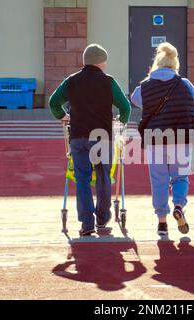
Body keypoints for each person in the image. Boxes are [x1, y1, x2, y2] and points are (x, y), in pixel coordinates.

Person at [49, 44, 131, 236]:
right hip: (102, 137)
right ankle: (102, 219)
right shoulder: (108, 81)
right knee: (103, 176)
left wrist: (62, 115)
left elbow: (53, 102)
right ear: (101, 62)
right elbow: (125, 107)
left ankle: (87, 224)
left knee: (82, 179)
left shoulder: (72, 81)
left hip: (78, 137)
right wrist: (121, 121)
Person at [131, 42, 194, 236]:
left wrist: (150, 78)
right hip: (182, 138)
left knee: (159, 180)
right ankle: (179, 206)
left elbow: (135, 99)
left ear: (156, 64)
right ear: (175, 64)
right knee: (180, 176)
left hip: (156, 139)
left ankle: (162, 222)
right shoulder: (186, 84)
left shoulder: (145, 87)